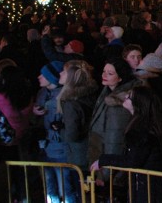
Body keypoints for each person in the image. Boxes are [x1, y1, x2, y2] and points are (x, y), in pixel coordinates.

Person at [90, 86, 162, 203]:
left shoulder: (141, 130)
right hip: (149, 184)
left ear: (137, 104)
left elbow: (133, 160)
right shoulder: (144, 124)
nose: (125, 97)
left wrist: (103, 160)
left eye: (129, 97)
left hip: (147, 186)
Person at [88, 58, 136, 183]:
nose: (104, 75)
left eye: (110, 73)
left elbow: (114, 139)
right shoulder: (106, 93)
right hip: (100, 154)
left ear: (120, 78)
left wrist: (106, 173)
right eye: (104, 71)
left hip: (106, 162)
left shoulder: (119, 103)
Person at [57, 60, 98, 202]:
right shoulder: (92, 95)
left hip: (79, 155)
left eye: (63, 71)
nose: (60, 74)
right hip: (93, 150)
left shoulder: (71, 103)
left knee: (82, 193)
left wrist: (60, 130)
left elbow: (72, 134)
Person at [33, 61, 66, 203]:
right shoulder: (41, 93)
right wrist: (34, 114)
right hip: (44, 146)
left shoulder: (63, 96)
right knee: (49, 186)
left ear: (52, 78)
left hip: (59, 147)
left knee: (64, 186)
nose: (39, 77)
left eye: (43, 75)